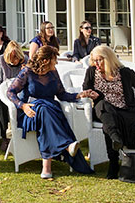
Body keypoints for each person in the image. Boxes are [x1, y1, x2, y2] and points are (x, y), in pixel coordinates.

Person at [7, 45, 91, 178]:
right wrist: (22, 106)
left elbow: (62, 95)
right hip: (31, 112)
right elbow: (10, 92)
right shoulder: (27, 72)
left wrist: (79, 95)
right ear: (46, 61)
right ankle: (66, 146)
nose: (56, 62)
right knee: (43, 109)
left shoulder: (53, 73)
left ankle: (47, 167)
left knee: (46, 112)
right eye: (54, 59)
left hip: (50, 110)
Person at [79, 45, 135, 179]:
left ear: (109, 59)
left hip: (124, 111)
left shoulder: (124, 72)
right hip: (104, 109)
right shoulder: (92, 71)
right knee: (104, 107)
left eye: (100, 60)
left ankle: (114, 162)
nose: (97, 64)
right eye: (95, 60)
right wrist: (90, 94)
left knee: (108, 124)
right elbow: (86, 87)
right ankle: (115, 140)